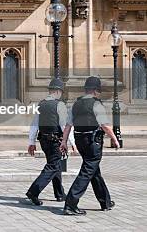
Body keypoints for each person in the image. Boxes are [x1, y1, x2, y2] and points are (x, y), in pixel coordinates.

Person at [61, 76, 120, 216]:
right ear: (95, 90)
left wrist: (64, 142)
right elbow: (104, 125)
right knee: (88, 170)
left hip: (80, 141)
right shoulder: (96, 104)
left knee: (94, 170)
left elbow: (68, 125)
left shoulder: (75, 104)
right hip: (93, 141)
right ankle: (70, 203)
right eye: (98, 91)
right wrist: (115, 139)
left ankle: (105, 202)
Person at [25, 78, 74, 206]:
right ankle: (33, 191)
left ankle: (59, 194)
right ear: (58, 91)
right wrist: (71, 142)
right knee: (53, 166)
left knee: (55, 165)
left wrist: (31, 142)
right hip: (55, 140)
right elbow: (64, 125)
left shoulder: (41, 104)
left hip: (44, 141)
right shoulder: (60, 105)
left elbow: (34, 124)